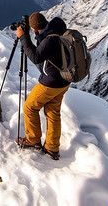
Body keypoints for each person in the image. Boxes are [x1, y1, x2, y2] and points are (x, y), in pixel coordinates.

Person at [15, 12, 70, 160]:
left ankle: (33, 140)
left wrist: (23, 37)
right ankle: (52, 148)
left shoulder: (49, 40)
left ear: (35, 29)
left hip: (51, 83)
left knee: (29, 107)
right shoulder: (56, 31)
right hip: (64, 81)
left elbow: (35, 56)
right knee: (52, 112)